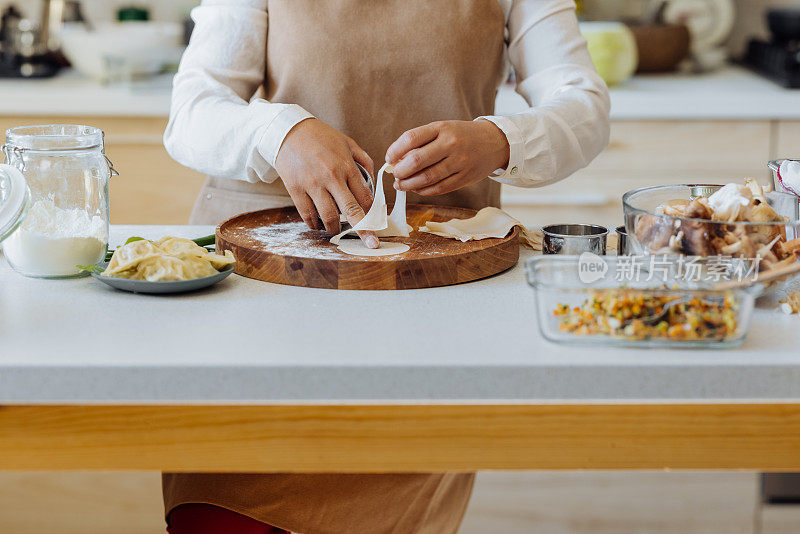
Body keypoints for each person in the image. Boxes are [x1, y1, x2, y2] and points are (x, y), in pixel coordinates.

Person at [163, 0, 610, 532]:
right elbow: (193, 108)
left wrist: (500, 140)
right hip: (265, 304)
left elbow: (583, 104)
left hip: (430, 310)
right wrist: (280, 133)